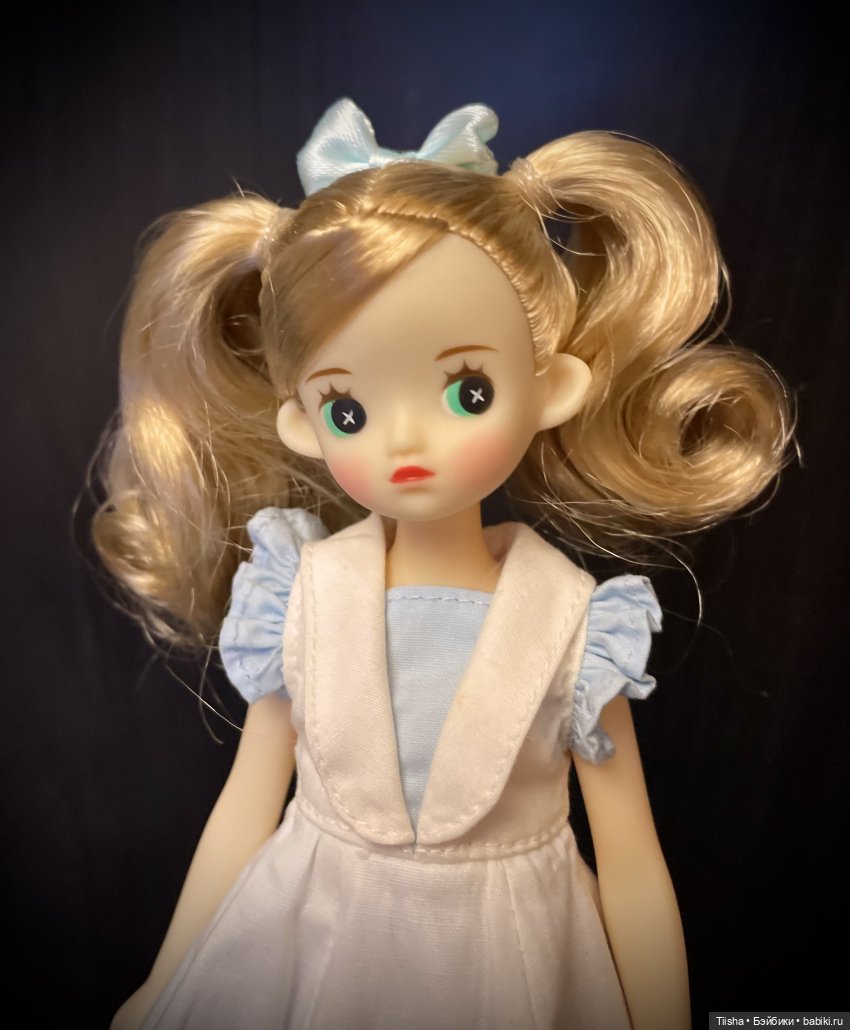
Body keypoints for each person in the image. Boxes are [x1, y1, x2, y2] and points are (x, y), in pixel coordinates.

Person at [95, 99, 791, 1029]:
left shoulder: (580, 627)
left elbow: (631, 865)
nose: (406, 442)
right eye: (350, 411)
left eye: (468, 391)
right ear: (303, 423)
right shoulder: (298, 597)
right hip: (314, 941)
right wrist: (165, 984)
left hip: (512, 963)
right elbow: (244, 811)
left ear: (550, 388)